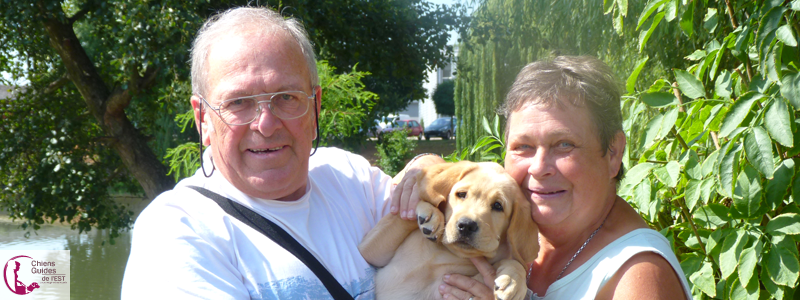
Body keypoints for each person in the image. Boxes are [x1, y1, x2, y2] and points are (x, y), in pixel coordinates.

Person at [120, 7, 440, 299]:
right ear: (203, 118)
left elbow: (454, 212)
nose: (267, 124)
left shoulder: (351, 179)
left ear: (315, 107)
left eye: (286, 97)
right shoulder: (178, 232)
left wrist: (431, 169)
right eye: (238, 102)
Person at [431, 56, 693, 299]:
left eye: (564, 144)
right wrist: (422, 170)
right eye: (523, 146)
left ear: (613, 153)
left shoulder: (638, 275)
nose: (539, 167)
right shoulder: (506, 229)